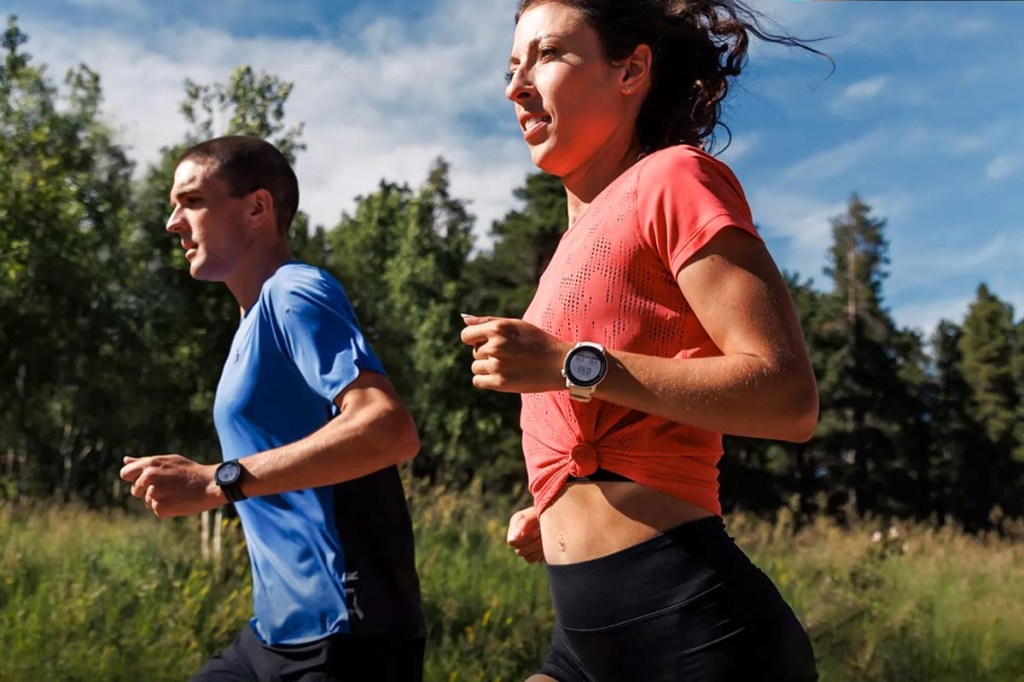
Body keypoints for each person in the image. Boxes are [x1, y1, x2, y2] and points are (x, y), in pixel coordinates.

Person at [460, 1, 825, 680]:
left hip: (693, 630)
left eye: (548, 55)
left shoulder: (674, 179)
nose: (515, 86)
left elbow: (786, 396)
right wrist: (559, 501)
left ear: (631, 70)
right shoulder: (567, 251)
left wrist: (567, 363)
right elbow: (630, 431)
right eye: (512, 66)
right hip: (582, 639)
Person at [119, 136, 425, 681]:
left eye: (192, 201)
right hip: (272, 635)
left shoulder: (294, 291)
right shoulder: (251, 321)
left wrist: (218, 479)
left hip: (348, 636)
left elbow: (388, 427)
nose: (172, 222)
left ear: (257, 208)